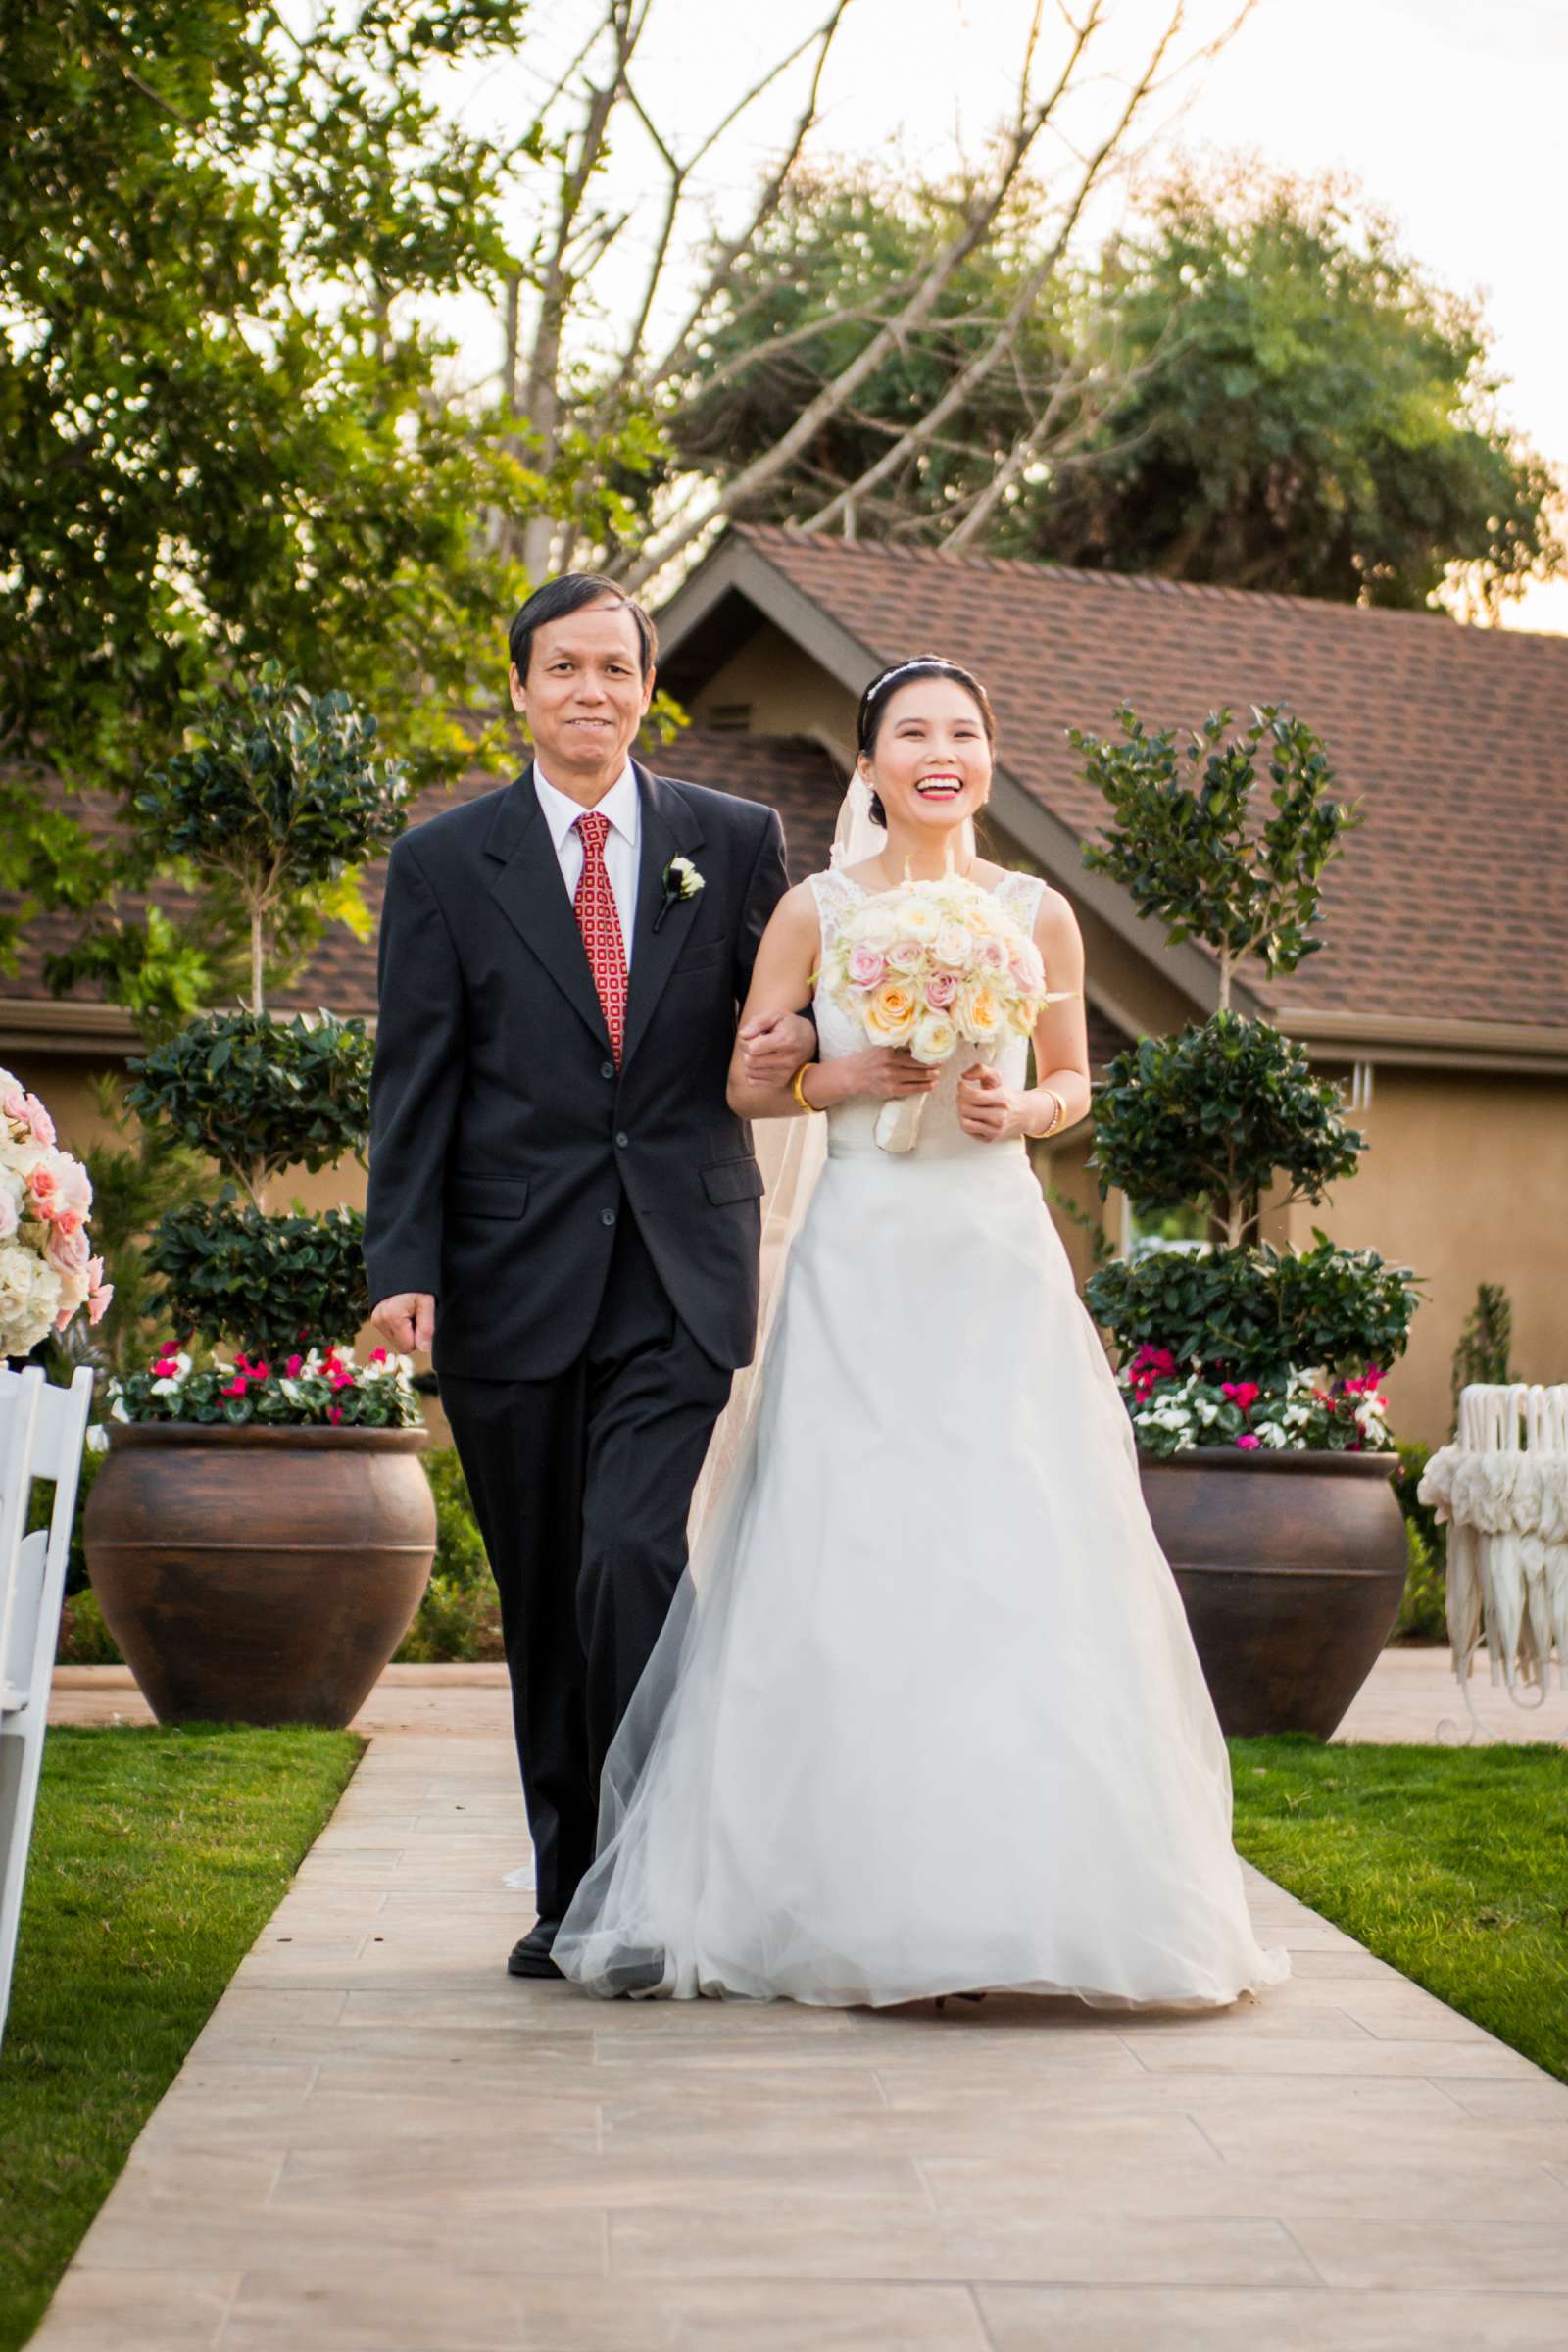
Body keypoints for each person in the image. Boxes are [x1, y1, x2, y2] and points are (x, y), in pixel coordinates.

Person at [554, 655, 1290, 2009]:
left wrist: (1037, 1112)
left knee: (1018, 1531)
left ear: (989, 757)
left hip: (994, 1245)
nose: (939, 754)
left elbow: (1072, 1078)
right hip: (868, 1242)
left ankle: (1032, 1895)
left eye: (963, 733)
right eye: (912, 734)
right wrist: (852, 1072)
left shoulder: (1035, 913)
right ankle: (840, 1895)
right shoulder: (816, 910)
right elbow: (747, 1081)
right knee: (855, 1530)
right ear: (872, 762)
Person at [364, 575, 814, 1981]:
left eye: (617, 668)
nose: (592, 693)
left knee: (629, 1552)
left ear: (646, 687)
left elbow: (782, 1028)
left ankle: (661, 1874)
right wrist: (404, 1262)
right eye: (565, 668)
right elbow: (414, 1083)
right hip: (507, 1276)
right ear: (520, 688)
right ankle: (574, 1896)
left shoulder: (734, 843)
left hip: (679, 1264)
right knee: (547, 1593)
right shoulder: (447, 866)